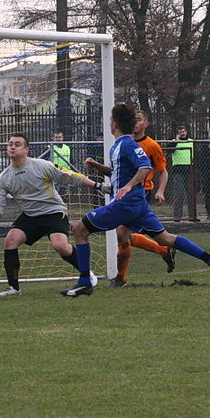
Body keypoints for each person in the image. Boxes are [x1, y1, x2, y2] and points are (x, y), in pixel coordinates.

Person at [62, 104, 210, 297]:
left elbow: (145, 168)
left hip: (127, 203)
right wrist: (99, 166)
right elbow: (119, 173)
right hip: (137, 204)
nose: (109, 123)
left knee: (79, 228)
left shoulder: (128, 144)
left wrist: (129, 186)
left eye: (109, 120)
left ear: (114, 124)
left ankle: (84, 282)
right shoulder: (119, 145)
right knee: (165, 238)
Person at [0, 134, 108, 296]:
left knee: (60, 246)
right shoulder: (4, 178)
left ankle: (86, 273)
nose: (12, 147)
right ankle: (14, 288)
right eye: (10, 144)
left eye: (17, 144)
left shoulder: (41, 165)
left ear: (26, 149)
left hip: (53, 212)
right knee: (10, 241)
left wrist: (98, 185)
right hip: (30, 216)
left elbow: (70, 176)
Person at [85, 109, 175, 287]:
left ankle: (121, 277)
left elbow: (162, 170)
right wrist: (98, 166)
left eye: (139, 120)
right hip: (123, 192)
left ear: (146, 124)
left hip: (140, 193)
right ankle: (162, 250)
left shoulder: (151, 145)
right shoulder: (123, 144)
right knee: (125, 235)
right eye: (133, 119)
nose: (135, 123)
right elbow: (117, 172)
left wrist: (161, 190)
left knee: (122, 234)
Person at [169, 125, 194, 221]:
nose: (182, 133)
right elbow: (170, 150)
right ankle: (177, 216)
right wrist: (176, 140)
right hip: (178, 170)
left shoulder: (191, 141)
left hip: (189, 169)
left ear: (186, 132)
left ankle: (192, 216)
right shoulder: (174, 142)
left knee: (191, 195)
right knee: (179, 195)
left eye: (183, 132)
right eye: (180, 132)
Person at [196, 127, 210, 220]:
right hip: (207, 172)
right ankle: (209, 211)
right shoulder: (204, 145)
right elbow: (201, 159)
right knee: (209, 193)